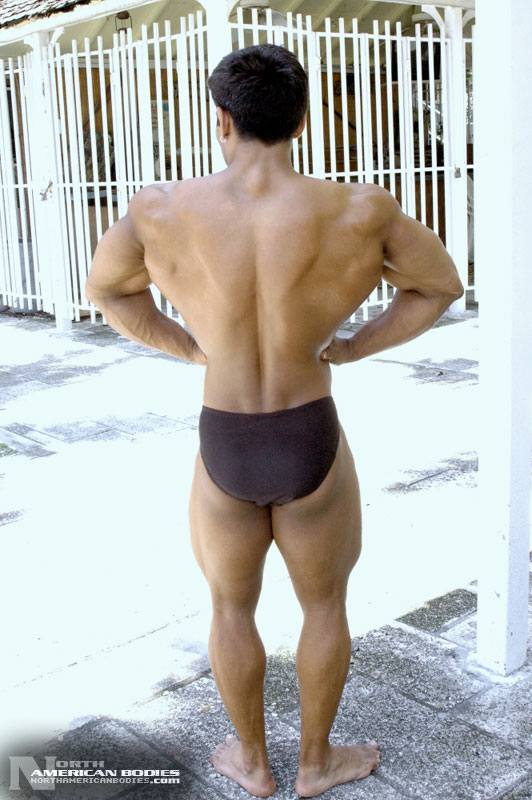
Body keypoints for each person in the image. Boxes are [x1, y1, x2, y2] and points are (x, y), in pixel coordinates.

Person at [85, 43, 463, 799]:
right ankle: (316, 764)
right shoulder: (361, 209)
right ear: (302, 120)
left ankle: (254, 764)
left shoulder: (159, 210)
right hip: (308, 432)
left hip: (224, 436)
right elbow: (439, 285)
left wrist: (189, 347)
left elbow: (107, 290)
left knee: (230, 607)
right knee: (324, 604)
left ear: (221, 119)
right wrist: (352, 347)